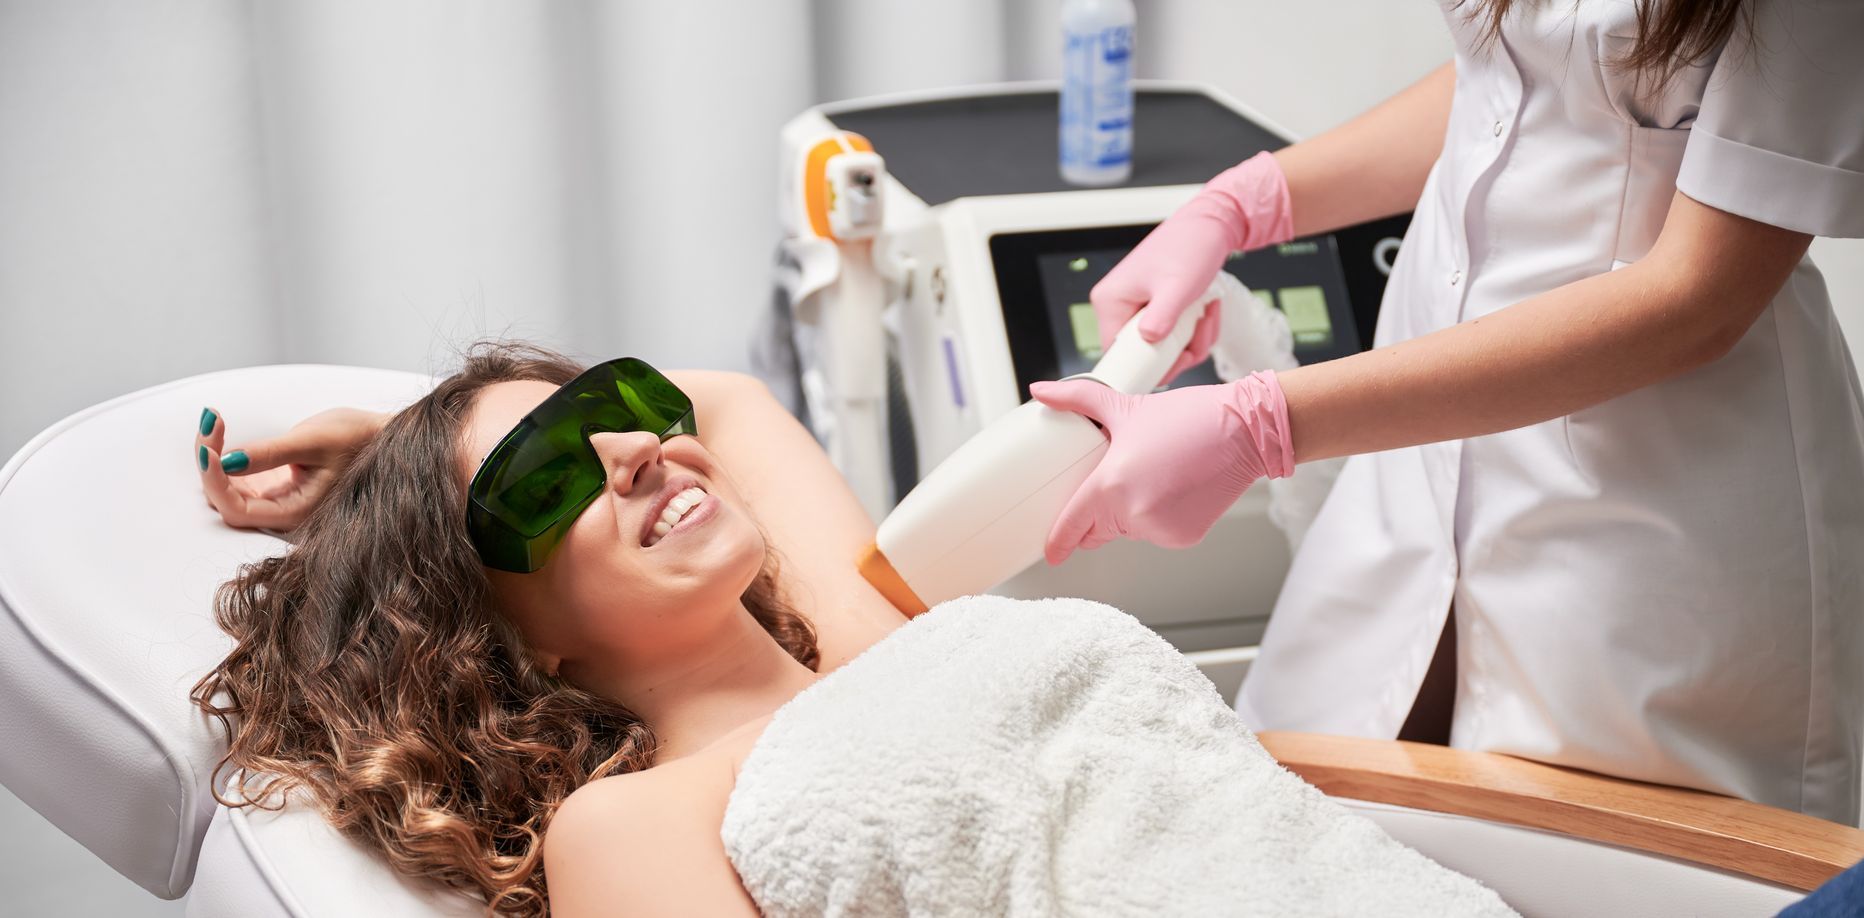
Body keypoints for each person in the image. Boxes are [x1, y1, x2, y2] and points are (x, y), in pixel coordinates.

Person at [189, 343, 1515, 917]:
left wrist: (399, 438)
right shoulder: (636, 823)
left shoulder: (871, 628)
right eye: (548, 480)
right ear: (507, 639)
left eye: (628, 409)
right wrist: (399, 498)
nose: (640, 450)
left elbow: (731, 401)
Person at [1028, 0, 1864, 824]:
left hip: (1649, 511)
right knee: (1287, 808)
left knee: (1588, 869)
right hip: (1416, 454)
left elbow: (1701, 296)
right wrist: (1244, 204)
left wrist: (1264, 427)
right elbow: (1521, 75)